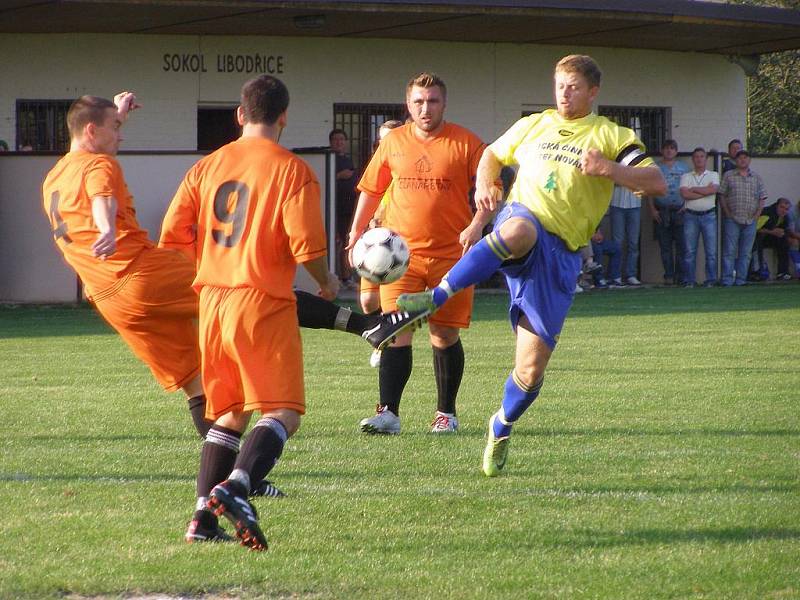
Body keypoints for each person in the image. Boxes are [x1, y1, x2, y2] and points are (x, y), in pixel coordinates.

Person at [396, 54, 666, 476]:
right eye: (559, 84)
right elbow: (491, 155)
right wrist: (486, 181)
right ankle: (436, 297)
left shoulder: (612, 135)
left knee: (529, 369)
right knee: (521, 229)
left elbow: (656, 182)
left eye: (574, 86)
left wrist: (608, 168)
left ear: (593, 92)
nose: (564, 93)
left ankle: (500, 425)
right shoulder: (534, 124)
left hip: (560, 257)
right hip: (523, 222)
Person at [160, 75, 342, 550]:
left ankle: (201, 520)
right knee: (283, 411)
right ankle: (237, 488)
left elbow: (173, 235)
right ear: (284, 116)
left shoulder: (206, 166)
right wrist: (325, 281)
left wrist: (210, 269)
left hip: (213, 300)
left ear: (240, 115)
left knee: (230, 413)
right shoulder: (292, 169)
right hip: (260, 299)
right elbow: (305, 244)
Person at [41, 92, 211, 438]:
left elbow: (90, 190)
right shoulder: (99, 164)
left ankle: (225, 483)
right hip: (139, 273)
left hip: (109, 300)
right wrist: (106, 227)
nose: (121, 135)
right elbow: (101, 195)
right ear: (91, 131)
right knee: (247, 287)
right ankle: (352, 323)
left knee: (197, 384)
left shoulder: (54, 178)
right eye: (115, 128)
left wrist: (117, 114)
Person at [348, 72, 492, 435]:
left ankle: (446, 414)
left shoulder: (467, 143)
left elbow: (491, 190)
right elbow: (370, 188)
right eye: (418, 102)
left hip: (452, 258)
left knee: (443, 335)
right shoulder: (394, 141)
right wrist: (355, 230)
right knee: (396, 331)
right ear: (408, 105)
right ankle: (388, 414)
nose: (425, 108)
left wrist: (477, 225)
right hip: (400, 260)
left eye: (432, 101)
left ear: (444, 103)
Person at [358, 119, 405, 369]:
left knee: (393, 304)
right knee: (367, 302)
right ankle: (380, 335)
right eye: (381, 139)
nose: (383, 144)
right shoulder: (376, 168)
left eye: (390, 138)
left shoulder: (405, 169)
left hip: (398, 245)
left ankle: (387, 342)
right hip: (375, 242)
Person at [718, 149, 767, 286]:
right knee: (729, 252)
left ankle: (741, 280)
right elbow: (721, 195)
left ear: (749, 160)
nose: (743, 160)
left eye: (745, 158)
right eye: (740, 158)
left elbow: (762, 198)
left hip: (750, 220)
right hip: (732, 220)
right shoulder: (728, 175)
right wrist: (727, 213)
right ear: (736, 160)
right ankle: (727, 280)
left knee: (746, 253)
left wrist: (757, 215)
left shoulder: (756, 177)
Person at [649, 139, 689, 285]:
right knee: (665, 247)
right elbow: (650, 190)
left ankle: (680, 277)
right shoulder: (655, 167)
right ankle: (668, 277)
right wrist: (652, 209)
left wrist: (686, 204)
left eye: (672, 148)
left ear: (676, 151)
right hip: (662, 211)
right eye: (666, 148)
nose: (669, 151)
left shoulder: (684, 168)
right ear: (662, 150)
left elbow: (688, 187)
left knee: (681, 247)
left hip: (679, 210)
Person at [679, 147, 720, 287]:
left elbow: (714, 190)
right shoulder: (686, 176)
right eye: (696, 157)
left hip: (709, 216)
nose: (699, 159)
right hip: (691, 216)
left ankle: (711, 280)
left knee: (711, 252)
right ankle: (690, 281)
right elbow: (685, 195)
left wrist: (694, 190)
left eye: (702, 156)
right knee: (689, 251)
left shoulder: (713, 175)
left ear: (706, 158)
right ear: (693, 159)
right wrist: (705, 191)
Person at [330, 128, 358, 286]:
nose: (339, 142)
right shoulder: (329, 159)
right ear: (331, 142)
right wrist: (339, 176)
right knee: (338, 243)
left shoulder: (347, 160)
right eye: (336, 140)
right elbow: (324, 178)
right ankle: (341, 277)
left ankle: (347, 277)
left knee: (348, 241)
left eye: (342, 139)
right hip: (335, 208)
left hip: (349, 208)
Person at [609, 184, 642, 286]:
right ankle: (615, 275)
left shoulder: (639, 167)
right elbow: (613, 180)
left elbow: (641, 181)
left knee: (634, 242)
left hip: (635, 204)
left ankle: (631, 275)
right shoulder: (616, 166)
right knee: (617, 242)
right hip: (616, 204)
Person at [753, 197, 792, 281]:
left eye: (786, 209)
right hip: (757, 237)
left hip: (770, 238)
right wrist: (771, 232)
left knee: (784, 241)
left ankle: (783, 272)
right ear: (776, 206)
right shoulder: (767, 213)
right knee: (757, 240)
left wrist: (781, 232)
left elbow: (785, 229)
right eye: (781, 207)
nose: (784, 211)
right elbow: (754, 229)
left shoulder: (784, 217)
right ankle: (758, 271)